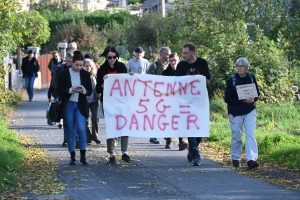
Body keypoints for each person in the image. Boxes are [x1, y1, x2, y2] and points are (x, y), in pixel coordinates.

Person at [176, 42, 211, 166]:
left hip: (201, 101)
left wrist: (199, 79)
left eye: (186, 53)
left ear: (193, 53)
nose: (183, 55)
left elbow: (208, 80)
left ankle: (191, 151)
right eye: (182, 53)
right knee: (191, 128)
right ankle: (196, 155)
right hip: (186, 102)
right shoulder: (180, 65)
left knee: (200, 128)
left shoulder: (202, 63)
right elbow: (178, 83)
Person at [96, 45, 131, 164]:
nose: (112, 59)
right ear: (106, 57)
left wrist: (131, 77)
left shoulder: (122, 67)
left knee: (124, 125)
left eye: (114, 57)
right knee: (111, 126)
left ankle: (124, 152)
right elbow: (97, 89)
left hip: (121, 101)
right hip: (108, 102)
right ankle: (111, 154)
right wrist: (103, 84)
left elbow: (126, 84)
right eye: (109, 57)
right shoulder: (101, 69)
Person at [57, 51, 92, 165]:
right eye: (77, 65)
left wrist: (83, 90)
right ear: (72, 63)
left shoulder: (86, 74)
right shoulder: (64, 73)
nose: (79, 67)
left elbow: (90, 91)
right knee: (71, 131)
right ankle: (72, 156)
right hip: (69, 105)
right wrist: (70, 89)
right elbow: (59, 89)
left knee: (82, 129)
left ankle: (83, 156)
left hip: (80, 105)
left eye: (81, 65)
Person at [224, 57, 260, 170]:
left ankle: (251, 159)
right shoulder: (232, 80)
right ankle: (236, 158)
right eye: (237, 66)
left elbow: (257, 93)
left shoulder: (251, 77)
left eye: (241, 66)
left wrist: (253, 99)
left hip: (249, 110)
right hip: (235, 112)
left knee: (250, 134)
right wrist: (242, 101)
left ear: (246, 67)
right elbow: (227, 98)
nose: (239, 68)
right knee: (237, 136)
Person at [162, 53, 188, 151]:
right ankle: (168, 139)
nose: (173, 62)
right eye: (171, 60)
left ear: (179, 61)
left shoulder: (183, 72)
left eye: (175, 60)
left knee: (179, 120)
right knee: (169, 120)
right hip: (168, 101)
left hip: (180, 100)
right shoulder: (165, 73)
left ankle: (181, 141)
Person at [147, 46, 172, 144]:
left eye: (169, 54)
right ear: (161, 54)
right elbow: (147, 79)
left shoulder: (170, 65)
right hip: (155, 95)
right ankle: (153, 136)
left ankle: (166, 135)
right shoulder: (154, 66)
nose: (168, 56)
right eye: (166, 53)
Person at [83, 58, 101, 145]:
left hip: (94, 100)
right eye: (86, 66)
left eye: (90, 66)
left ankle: (95, 136)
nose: (88, 68)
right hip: (84, 101)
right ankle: (88, 137)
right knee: (85, 120)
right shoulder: (81, 76)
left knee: (95, 118)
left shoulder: (94, 76)